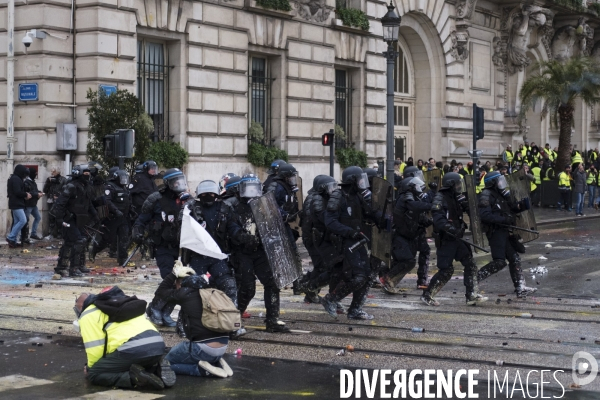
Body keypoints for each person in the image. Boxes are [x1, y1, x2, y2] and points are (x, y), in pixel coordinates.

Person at [74, 288, 175, 389]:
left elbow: (96, 348)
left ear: (81, 306)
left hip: (134, 348)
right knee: (131, 362)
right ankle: (154, 368)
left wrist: (89, 368)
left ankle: (135, 378)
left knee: (94, 374)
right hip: (157, 343)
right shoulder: (115, 305)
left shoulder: (87, 314)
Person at [230, 174, 290, 333]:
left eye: (254, 188)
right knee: (247, 287)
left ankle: (272, 320)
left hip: (261, 251)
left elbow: (277, 217)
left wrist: (287, 217)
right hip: (243, 252)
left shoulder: (264, 204)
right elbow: (231, 228)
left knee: (272, 283)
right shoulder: (234, 206)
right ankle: (234, 319)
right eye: (248, 188)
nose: (251, 192)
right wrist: (243, 237)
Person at [320, 166, 382, 320]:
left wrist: (382, 216)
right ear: (352, 181)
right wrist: (349, 232)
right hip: (345, 241)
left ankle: (355, 310)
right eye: (360, 179)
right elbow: (330, 222)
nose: (363, 183)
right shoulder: (338, 196)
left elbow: (368, 214)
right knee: (358, 276)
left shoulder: (358, 196)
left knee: (367, 276)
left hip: (359, 240)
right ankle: (331, 299)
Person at [133, 168, 190, 327]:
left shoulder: (185, 199)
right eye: (175, 182)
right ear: (168, 183)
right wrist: (137, 232)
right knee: (169, 279)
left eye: (181, 181)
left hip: (181, 247)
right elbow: (141, 219)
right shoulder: (156, 199)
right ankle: (155, 309)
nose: (179, 185)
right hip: (162, 246)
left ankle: (165, 312)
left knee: (180, 281)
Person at [155, 263, 234, 378]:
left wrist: (173, 274)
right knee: (185, 353)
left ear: (180, 283)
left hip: (203, 349)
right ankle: (215, 363)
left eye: (176, 284)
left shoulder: (185, 293)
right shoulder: (211, 291)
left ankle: (200, 370)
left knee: (165, 364)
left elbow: (160, 292)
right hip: (222, 346)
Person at [422, 172, 486, 306]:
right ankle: (427, 295)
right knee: (446, 270)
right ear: (451, 184)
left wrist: (469, 206)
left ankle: (471, 295)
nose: (459, 186)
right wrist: (451, 229)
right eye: (457, 184)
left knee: (470, 264)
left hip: (457, 238)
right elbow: (438, 220)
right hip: (446, 240)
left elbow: (469, 211)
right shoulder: (440, 198)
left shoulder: (456, 197)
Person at [476, 171, 537, 298]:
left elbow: (510, 209)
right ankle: (474, 279)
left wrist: (521, 206)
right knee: (499, 261)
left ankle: (520, 287)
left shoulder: (501, 194)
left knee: (514, 258)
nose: (501, 183)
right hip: (495, 232)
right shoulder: (486, 195)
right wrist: (504, 219)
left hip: (505, 231)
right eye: (499, 181)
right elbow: (485, 215)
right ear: (493, 183)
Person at [380, 173, 432, 293]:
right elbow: (414, 208)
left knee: (405, 260)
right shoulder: (405, 199)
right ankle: (387, 279)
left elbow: (417, 217)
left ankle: (386, 278)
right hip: (400, 236)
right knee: (407, 261)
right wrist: (432, 205)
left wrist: (428, 221)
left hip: (410, 235)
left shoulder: (413, 199)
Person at [51, 164, 99, 277]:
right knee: (78, 241)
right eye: (85, 174)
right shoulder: (71, 186)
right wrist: (59, 219)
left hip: (80, 219)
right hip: (69, 219)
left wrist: (95, 214)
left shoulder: (86, 186)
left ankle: (72, 266)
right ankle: (72, 268)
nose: (87, 176)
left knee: (78, 241)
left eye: (88, 174)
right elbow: (60, 203)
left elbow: (88, 202)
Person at [91, 169, 132, 265]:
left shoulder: (125, 188)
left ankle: (123, 259)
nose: (124, 181)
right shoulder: (110, 186)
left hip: (123, 218)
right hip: (112, 218)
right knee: (108, 240)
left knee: (124, 238)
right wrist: (116, 210)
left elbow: (128, 202)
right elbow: (107, 201)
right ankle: (94, 250)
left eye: (125, 179)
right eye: (122, 179)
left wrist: (131, 211)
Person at [7, 164, 32, 248]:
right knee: (23, 220)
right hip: (17, 203)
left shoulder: (14, 178)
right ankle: (11, 237)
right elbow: (17, 192)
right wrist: (26, 194)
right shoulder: (16, 179)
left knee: (17, 222)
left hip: (15, 203)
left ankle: (13, 241)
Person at [44, 167, 67, 239]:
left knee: (60, 217)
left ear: (57, 172)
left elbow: (66, 191)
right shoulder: (50, 179)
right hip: (51, 200)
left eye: (53, 172)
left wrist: (59, 195)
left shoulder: (63, 180)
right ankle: (51, 233)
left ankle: (60, 233)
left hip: (60, 202)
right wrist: (48, 182)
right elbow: (45, 190)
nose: (52, 173)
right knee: (51, 216)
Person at [22, 167, 44, 242]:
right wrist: (37, 194)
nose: (36, 174)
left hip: (33, 204)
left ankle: (33, 233)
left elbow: (34, 191)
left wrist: (39, 192)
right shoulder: (26, 182)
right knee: (25, 220)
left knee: (38, 217)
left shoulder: (33, 182)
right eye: (35, 173)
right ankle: (24, 236)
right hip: (28, 205)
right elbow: (28, 193)